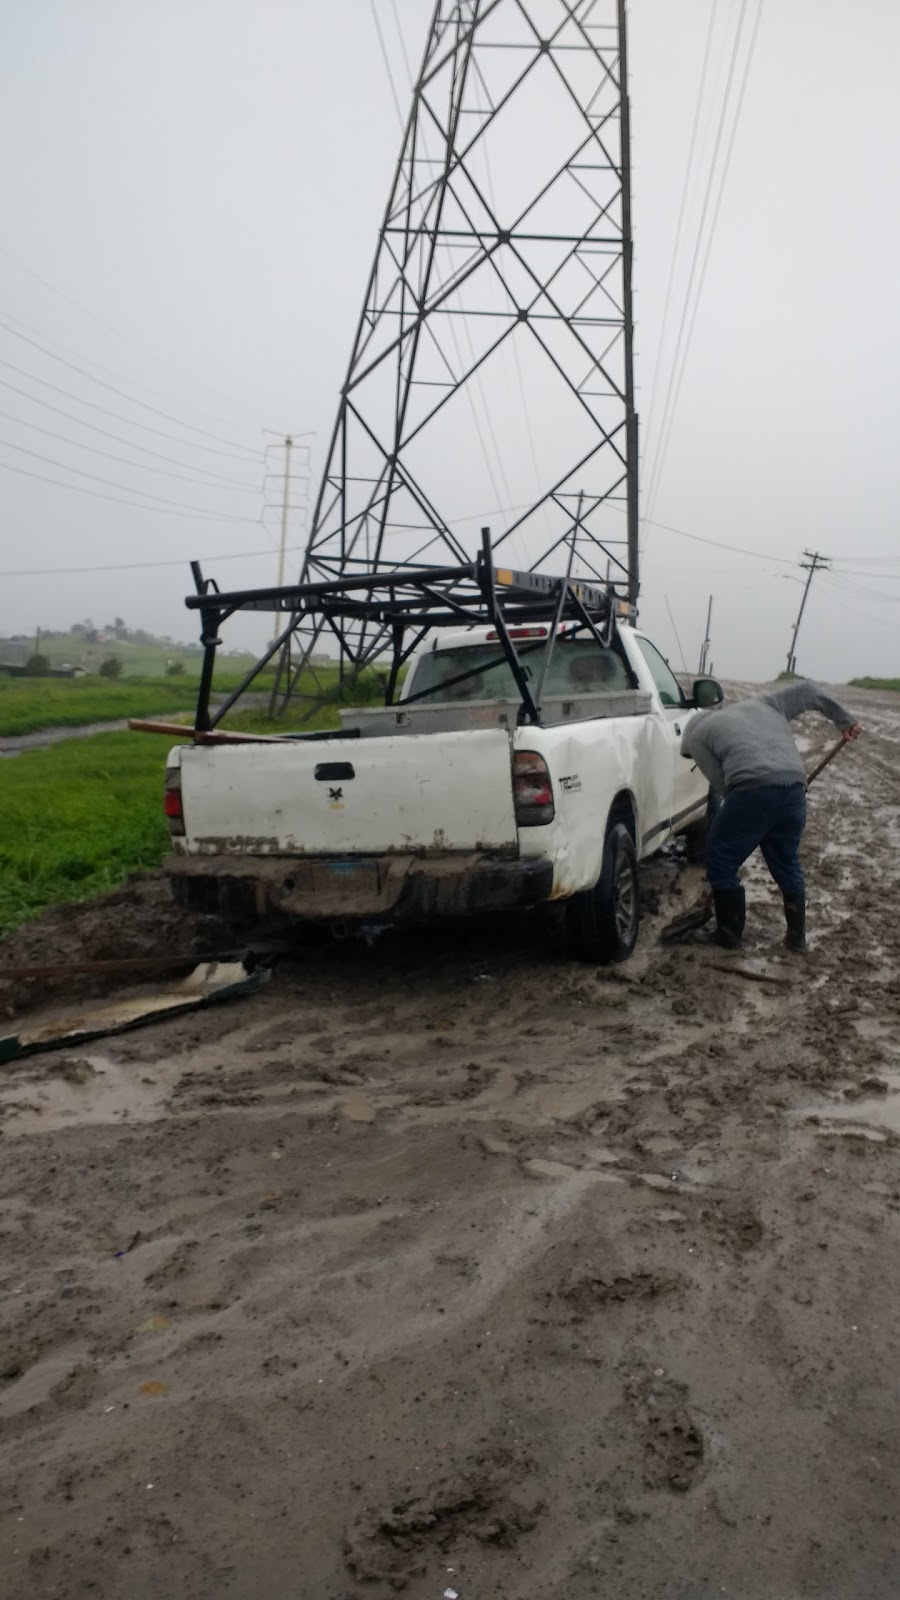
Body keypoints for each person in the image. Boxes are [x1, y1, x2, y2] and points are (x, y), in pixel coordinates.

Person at [680, 681, 861, 951]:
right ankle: (796, 939)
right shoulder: (765, 704)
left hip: (752, 791)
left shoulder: (696, 738)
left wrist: (743, 831)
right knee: (786, 862)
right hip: (794, 788)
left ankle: (728, 935)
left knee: (720, 858)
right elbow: (809, 691)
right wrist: (844, 720)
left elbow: (726, 789)